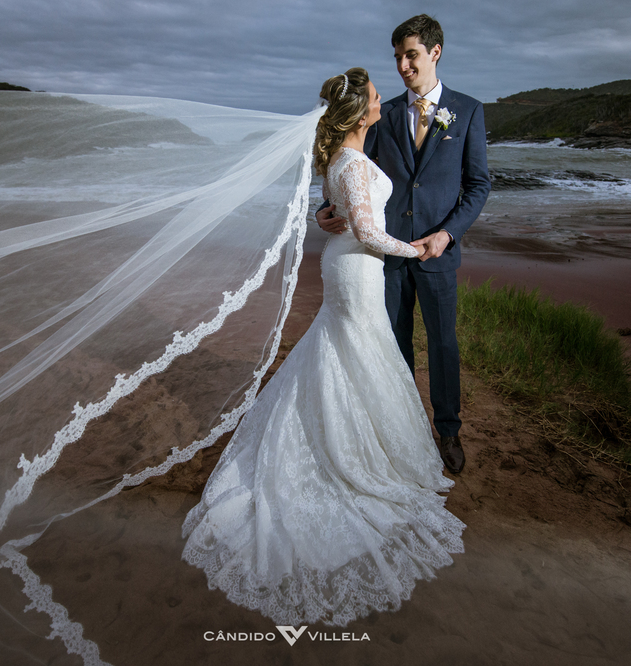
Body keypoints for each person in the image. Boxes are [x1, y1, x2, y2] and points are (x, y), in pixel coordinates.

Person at [181, 68, 465, 627]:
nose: (383, 100)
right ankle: (351, 455)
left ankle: (353, 435)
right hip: (358, 268)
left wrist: (332, 214)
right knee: (358, 350)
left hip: (351, 268)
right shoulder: (352, 162)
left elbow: (340, 210)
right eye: (376, 97)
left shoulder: (342, 157)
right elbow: (365, 230)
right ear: (360, 113)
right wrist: (417, 250)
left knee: (347, 351)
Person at [317, 15, 491, 474]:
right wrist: (324, 210)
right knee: (393, 344)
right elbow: (349, 164)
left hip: (438, 253)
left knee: (443, 344)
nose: (402, 66)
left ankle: (448, 430)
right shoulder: (384, 113)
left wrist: (446, 234)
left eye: (411, 55)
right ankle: (405, 428)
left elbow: (478, 185)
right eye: (397, 57)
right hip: (383, 257)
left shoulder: (468, 111)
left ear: (435, 52)